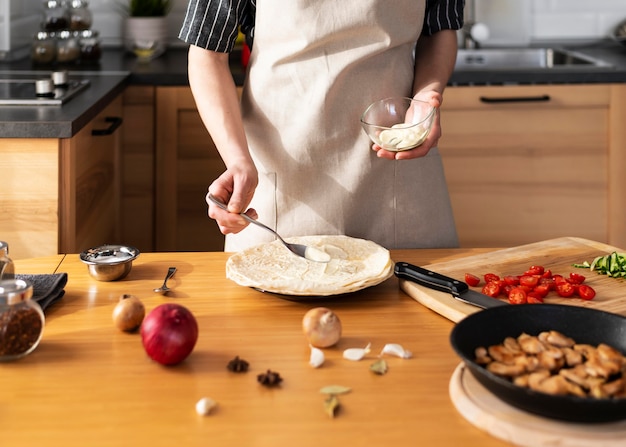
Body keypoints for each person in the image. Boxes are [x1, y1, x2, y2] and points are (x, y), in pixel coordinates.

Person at [179, 0, 464, 252]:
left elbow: (439, 28)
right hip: (283, 172)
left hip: (396, 170)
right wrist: (238, 161)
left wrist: (428, 94)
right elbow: (207, 53)